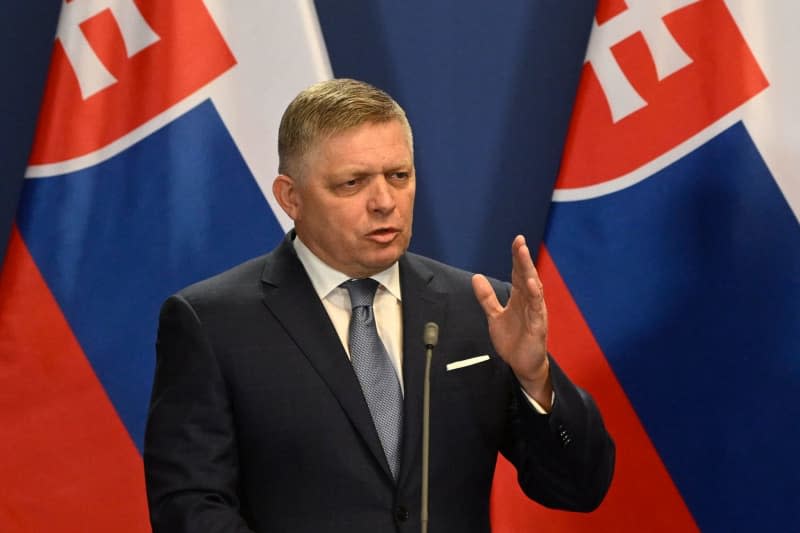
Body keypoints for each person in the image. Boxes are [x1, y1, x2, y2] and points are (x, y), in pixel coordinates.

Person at [144, 78, 614, 532]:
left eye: (399, 176)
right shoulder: (214, 322)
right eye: (352, 183)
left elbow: (579, 488)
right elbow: (190, 508)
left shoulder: (479, 309)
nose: (384, 201)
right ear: (291, 197)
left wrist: (536, 379)